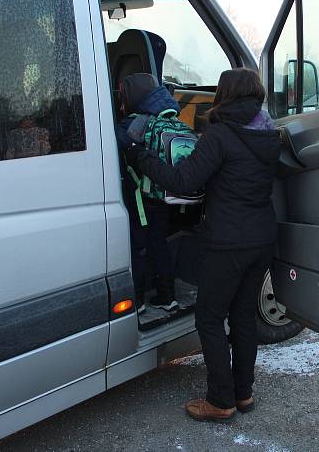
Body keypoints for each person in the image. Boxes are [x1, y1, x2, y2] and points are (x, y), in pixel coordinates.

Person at [122, 68, 281, 421]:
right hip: (261, 238)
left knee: (209, 318)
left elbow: (183, 181)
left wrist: (140, 157)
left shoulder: (220, 135)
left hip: (227, 241)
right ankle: (243, 394)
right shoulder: (270, 134)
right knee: (242, 316)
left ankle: (219, 400)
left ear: (225, 94)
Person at [116, 73, 180, 313]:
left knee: (138, 247)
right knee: (159, 242)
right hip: (163, 195)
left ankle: (138, 300)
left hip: (138, 198)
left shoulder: (129, 125)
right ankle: (168, 296)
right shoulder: (169, 117)